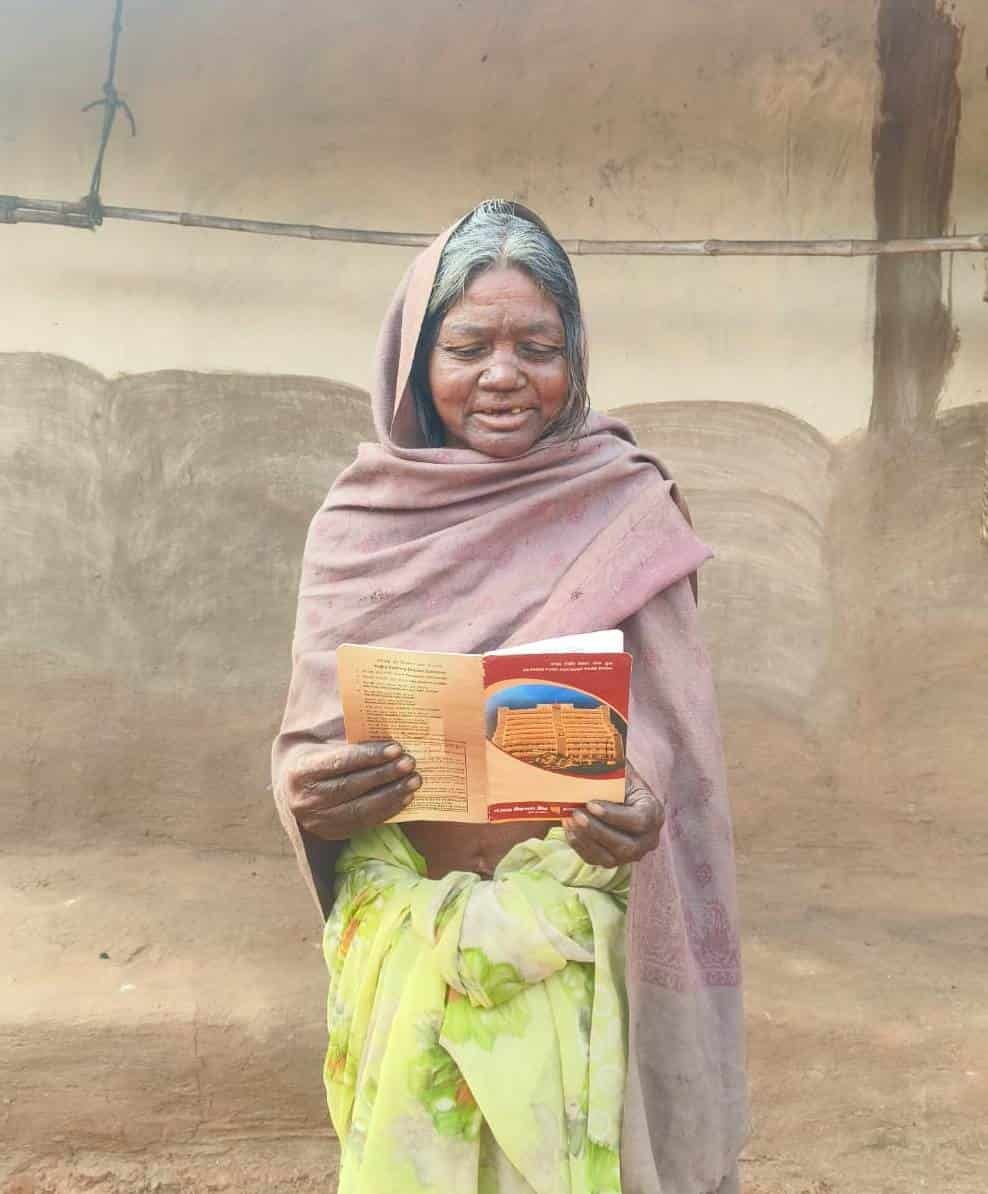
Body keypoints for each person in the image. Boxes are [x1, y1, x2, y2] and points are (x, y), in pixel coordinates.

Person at [272, 200, 748, 1194]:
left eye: (537, 347)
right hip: (403, 934)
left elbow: (673, 736)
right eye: (467, 347)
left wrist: (642, 805)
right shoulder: (359, 523)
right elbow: (307, 742)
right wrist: (310, 792)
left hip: (572, 940)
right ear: (415, 363)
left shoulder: (626, 506)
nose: (503, 375)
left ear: (574, 356)